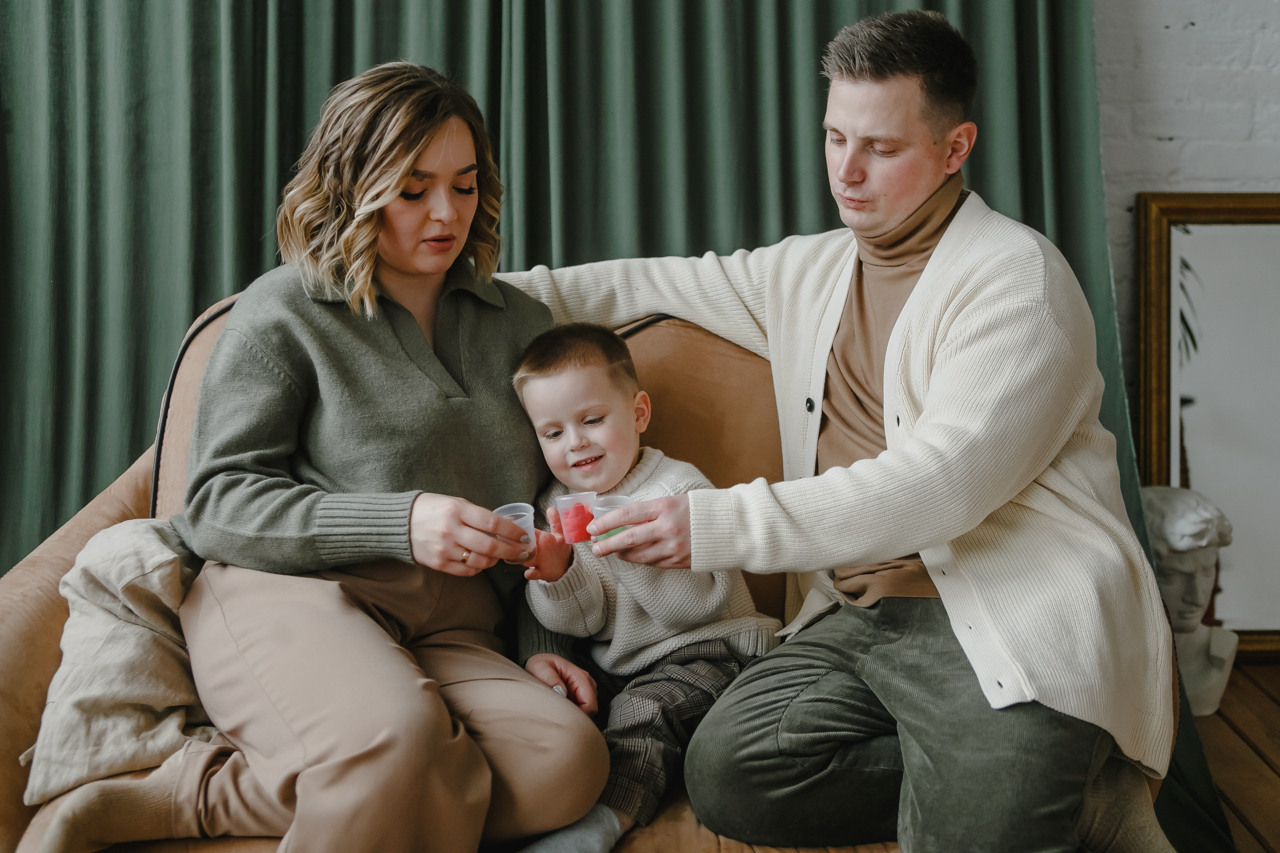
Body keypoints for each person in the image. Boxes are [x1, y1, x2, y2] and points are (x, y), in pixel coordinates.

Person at [503, 10, 1176, 851]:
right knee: (730, 774)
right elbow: (636, 284)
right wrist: (460, 292)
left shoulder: (1017, 281)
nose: (845, 173)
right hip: (853, 618)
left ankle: (1042, 772)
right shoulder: (810, 270)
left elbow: (942, 482)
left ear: (955, 148)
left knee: (980, 835)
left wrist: (713, 524)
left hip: (1001, 602)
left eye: (881, 149)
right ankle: (1068, 790)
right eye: (833, 137)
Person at [41, 62, 607, 853]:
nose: (445, 213)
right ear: (353, 185)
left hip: (452, 628)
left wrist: (544, 643)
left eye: (465, 184)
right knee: (400, 735)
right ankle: (344, 757)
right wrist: (402, 520)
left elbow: (554, 494)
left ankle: (188, 796)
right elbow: (217, 503)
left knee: (566, 762)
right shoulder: (283, 311)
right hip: (289, 597)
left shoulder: (518, 320)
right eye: (412, 190)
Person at [508, 323, 780, 852]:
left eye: (592, 420)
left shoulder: (678, 488)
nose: (576, 443)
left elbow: (695, 608)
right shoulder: (556, 504)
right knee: (562, 713)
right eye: (553, 432)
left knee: (643, 713)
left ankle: (605, 821)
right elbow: (583, 621)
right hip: (620, 665)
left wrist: (620, 546)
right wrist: (558, 574)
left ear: (637, 414)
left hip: (711, 651)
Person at [1142, 485, 1237, 716]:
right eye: (1172, 577)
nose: (1197, 596)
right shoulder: (1111, 660)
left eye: (1207, 571)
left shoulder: (1220, 649)